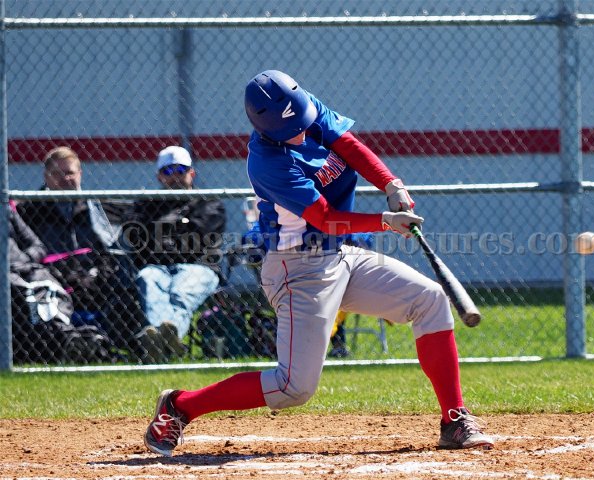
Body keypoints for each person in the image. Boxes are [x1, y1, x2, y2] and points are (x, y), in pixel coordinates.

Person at [143, 70, 493, 456]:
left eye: (302, 123)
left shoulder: (303, 109)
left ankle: (454, 419)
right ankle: (180, 407)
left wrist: (391, 184)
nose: (301, 133)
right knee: (292, 388)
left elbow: (349, 145)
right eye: (290, 130)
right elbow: (324, 218)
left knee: (430, 299)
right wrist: (385, 221)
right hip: (297, 270)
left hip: (339, 254)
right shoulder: (267, 162)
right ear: (267, 128)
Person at [15, 146, 141, 356]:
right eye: (58, 174)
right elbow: (27, 254)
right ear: (46, 177)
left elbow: (108, 251)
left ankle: (136, 344)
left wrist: (98, 275)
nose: (65, 179)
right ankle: (70, 344)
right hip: (51, 282)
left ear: (80, 174)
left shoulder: (93, 207)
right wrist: (59, 275)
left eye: (70, 173)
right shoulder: (30, 210)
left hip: (93, 283)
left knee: (127, 281)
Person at [129, 146, 226, 363]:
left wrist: (160, 230)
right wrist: (180, 226)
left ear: (192, 173)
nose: (175, 176)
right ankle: (169, 340)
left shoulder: (209, 202)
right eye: (168, 171)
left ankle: (159, 340)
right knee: (148, 281)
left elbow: (199, 238)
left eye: (181, 170)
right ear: (159, 176)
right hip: (156, 268)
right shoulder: (146, 204)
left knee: (180, 292)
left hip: (198, 267)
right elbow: (135, 237)